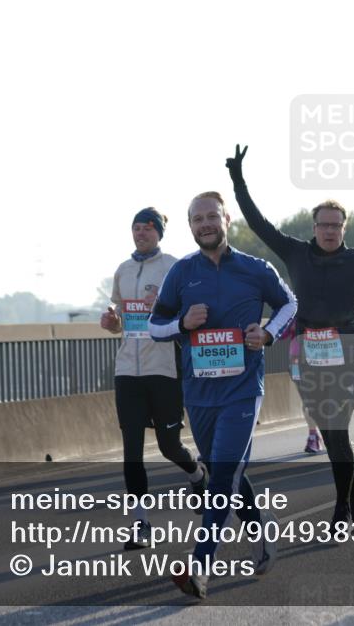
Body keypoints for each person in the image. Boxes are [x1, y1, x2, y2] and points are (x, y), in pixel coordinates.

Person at [227, 144, 354, 527]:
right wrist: (238, 181)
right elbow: (258, 223)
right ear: (314, 228)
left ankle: (342, 505)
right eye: (323, 224)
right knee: (331, 434)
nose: (329, 230)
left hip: (348, 348)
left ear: (343, 228)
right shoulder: (295, 252)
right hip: (309, 351)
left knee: (335, 426)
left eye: (336, 224)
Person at [149, 190, 297, 599]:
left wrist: (268, 333)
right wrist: (182, 322)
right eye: (197, 220)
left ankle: (200, 566)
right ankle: (260, 529)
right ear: (191, 226)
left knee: (221, 478)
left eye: (211, 217)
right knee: (223, 474)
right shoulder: (181, 273)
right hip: (198, 393)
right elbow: (154, 326)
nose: (205, 225)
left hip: (242, 390)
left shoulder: (255, 268)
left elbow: (289, 305)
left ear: (226, 219)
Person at [100, 207, 208, 544]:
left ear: (159, 232)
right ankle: (140, 523)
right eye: (136, 228)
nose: (141, 233)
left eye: (148, 228)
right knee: (131, 451)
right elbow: (119, 316)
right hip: (127, 371)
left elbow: (191, 313)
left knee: (169, 446)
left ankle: (197, 474)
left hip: (164, 368)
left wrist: (163, 304)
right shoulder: (123, 270)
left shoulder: (175, 267)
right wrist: (112, 323)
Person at [284, 319, 323, 453]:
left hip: (320, 358)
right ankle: (313, 435)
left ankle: (329, 433)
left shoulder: (319, 308)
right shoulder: (293, 309)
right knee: (307, 400)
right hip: (296, 362)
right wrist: (290, 324)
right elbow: (281, 335)